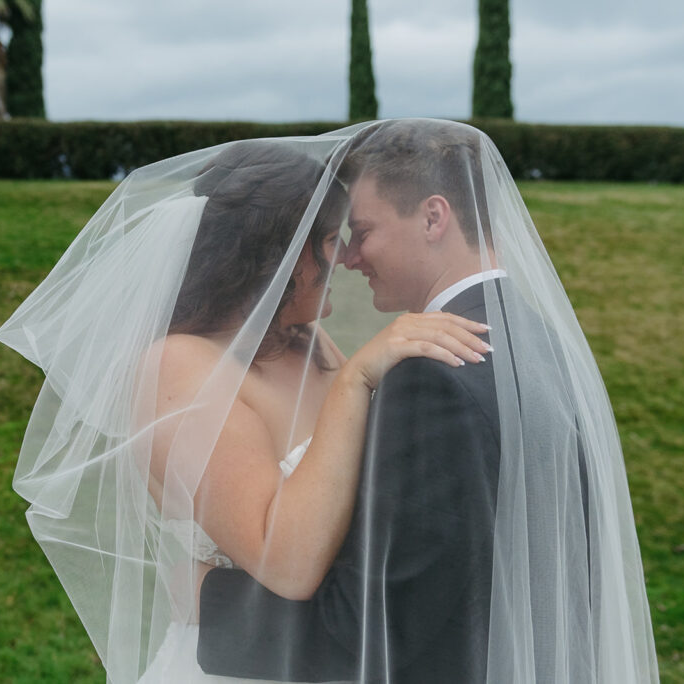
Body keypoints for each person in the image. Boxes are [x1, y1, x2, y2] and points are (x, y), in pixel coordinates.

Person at [0, 134, 489, 684]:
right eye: (328, 240)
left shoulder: (310, 343)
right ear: (275, 252)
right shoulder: (176, 368)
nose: (346, 259)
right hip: (242, 666)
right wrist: (356, 380)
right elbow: (288, 562)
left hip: (324, 652)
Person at [196, 120, 660, 682]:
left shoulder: (433, 376)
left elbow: (378, 627)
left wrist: (206, 600)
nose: (349, 258)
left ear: (433, 217)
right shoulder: (538, 340)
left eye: (362, 231)